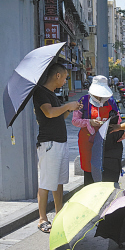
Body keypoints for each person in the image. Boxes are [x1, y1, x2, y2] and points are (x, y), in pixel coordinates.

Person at [33, 63, 83, 233]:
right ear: (57, 76)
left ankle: (59, 213)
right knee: (47, 182)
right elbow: (49, 113)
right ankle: (42, 218)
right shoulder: (40, 92)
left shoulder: (53, 95)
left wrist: (72, 108)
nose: (66, 80)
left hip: (60, 142)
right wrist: (67, 106)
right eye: (66, 77)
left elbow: (59, 115)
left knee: (59, 181)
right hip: (49, 144)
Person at [72, 75, 122, 185]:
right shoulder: (83, 101)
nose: (99, 97)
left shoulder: (111, 101)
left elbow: (119, 119)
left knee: (104, 168)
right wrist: (89, 122)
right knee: (89, 169)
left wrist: (109, 123)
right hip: (87, 141)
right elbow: (75, 121)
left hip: (105, 141)